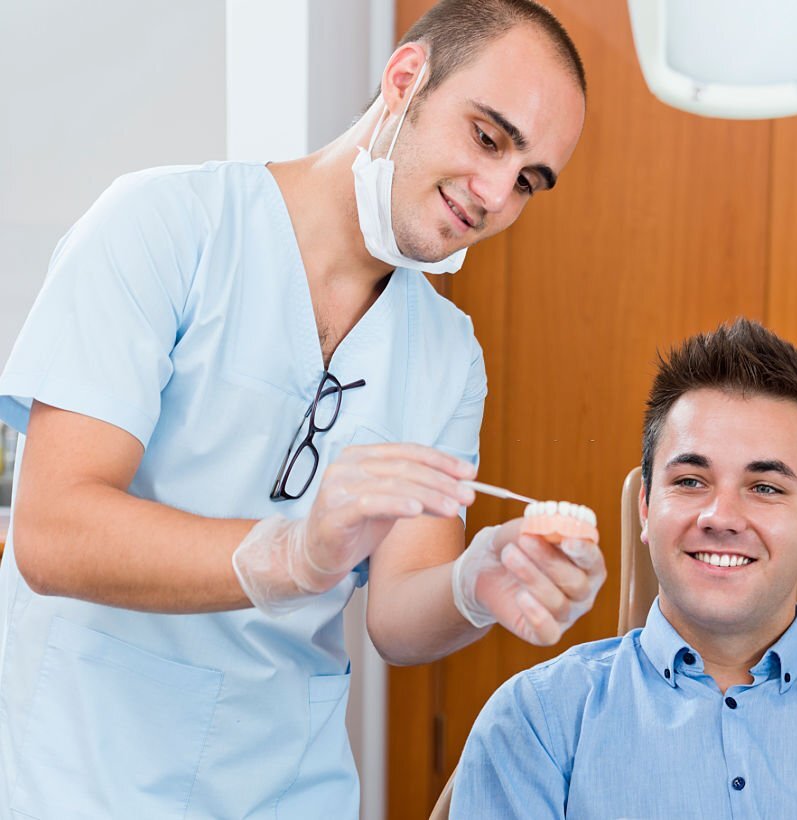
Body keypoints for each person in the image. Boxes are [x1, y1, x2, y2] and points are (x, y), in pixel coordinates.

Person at [0, 1, 606, 817]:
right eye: (488, 138)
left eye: (529, 180)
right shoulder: (165, 228)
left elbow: (397, 617)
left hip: (284, 789)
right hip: (80, 773)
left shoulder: (445, 355)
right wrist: (294, 555)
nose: (497, 194)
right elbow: (52, 531)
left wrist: (473, 583)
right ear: (405, 80)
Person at [451, 318, 797, 819]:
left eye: (765, 488)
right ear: (646, 507)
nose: (721, 517)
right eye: (690, 481)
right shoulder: (537, 722)